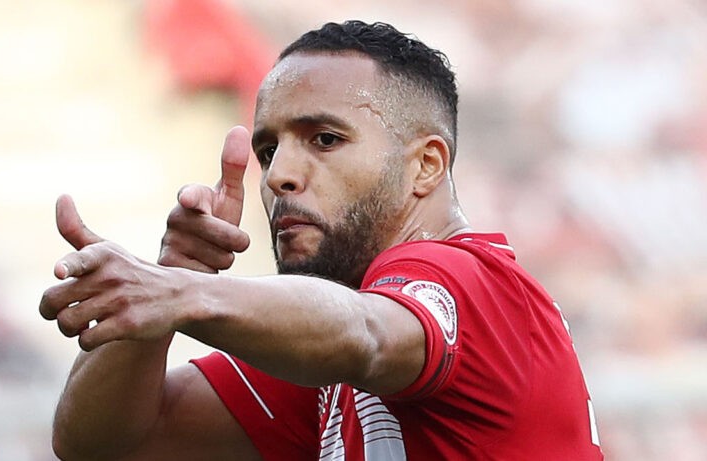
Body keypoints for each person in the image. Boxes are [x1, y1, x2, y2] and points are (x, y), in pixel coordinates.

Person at [40, 20, 604, 460]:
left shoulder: (469, 281)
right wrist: (164, 292)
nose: (278, 176)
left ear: (426, 165)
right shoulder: (327, 365)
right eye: (268, 151)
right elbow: (104, 442)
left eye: (325, 139)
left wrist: (182, 294)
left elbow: (365, 333)